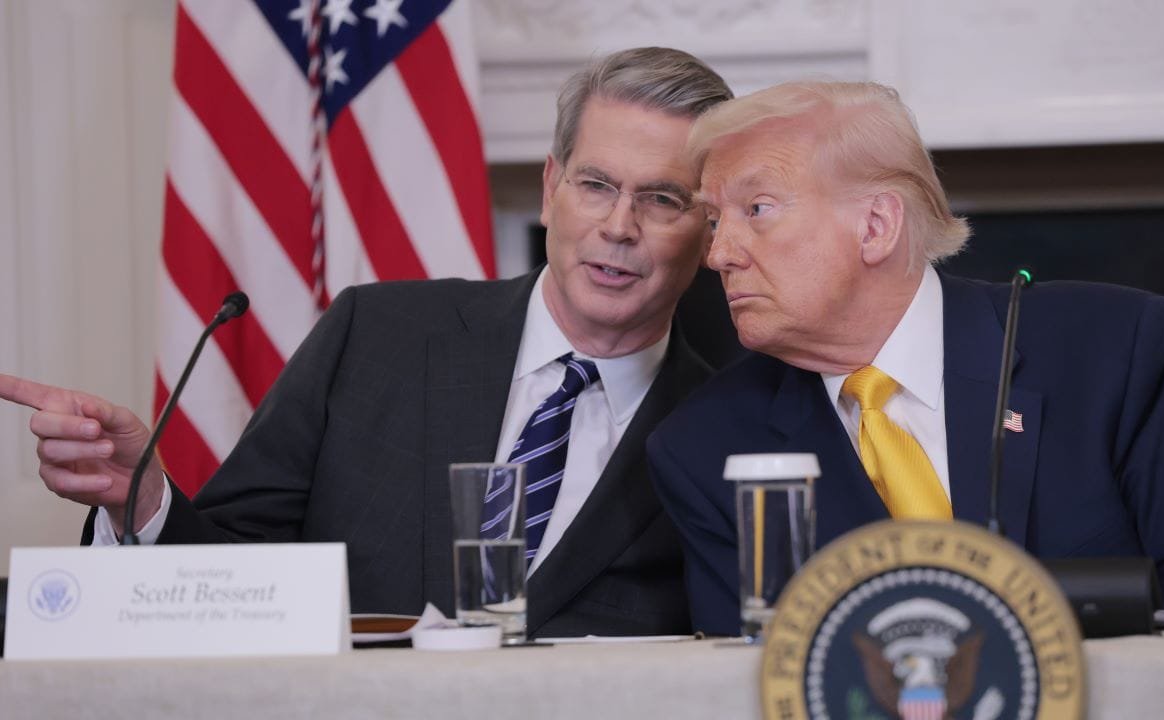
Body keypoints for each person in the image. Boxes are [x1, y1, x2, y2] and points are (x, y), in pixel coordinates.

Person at [0, 47, 734, 639]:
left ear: (709, 232)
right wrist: (144, 499)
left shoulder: (727, 430)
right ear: (551, 189)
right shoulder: (375, 336)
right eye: (596, 185)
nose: (618, 226)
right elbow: (232, 572)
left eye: (661, 199)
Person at [646, 81, 1164, 636]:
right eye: (714, 221)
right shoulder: (704, 447)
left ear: (876, 226)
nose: (718, 254)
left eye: (757, 210)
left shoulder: (1109, 349)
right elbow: (745, 674)